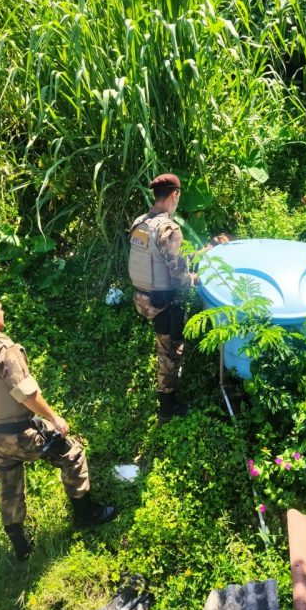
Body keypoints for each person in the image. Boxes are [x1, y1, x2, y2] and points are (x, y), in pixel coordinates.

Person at [0, 292, 115, 561]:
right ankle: (86, 514)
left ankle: (20, 545)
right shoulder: (1, 350)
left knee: (8, 483)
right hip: (19, 433)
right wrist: (53, 418)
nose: (3, 313)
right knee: (72, 455)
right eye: (0, 309)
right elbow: (26, 393)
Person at [128, 173, 193, 424]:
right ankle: (167, 407)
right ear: (174, 195)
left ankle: (168, 393)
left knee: (164, 345)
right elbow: (178, 274)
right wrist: (194, 280)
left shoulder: (140, 222)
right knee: (169, 351)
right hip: (163, 302)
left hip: (142, 298)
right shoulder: (169, 229)